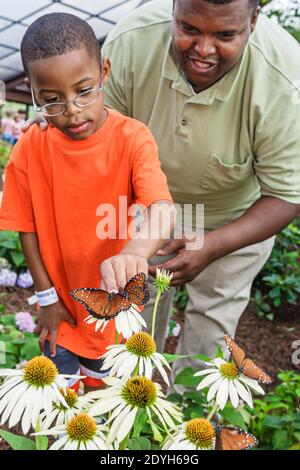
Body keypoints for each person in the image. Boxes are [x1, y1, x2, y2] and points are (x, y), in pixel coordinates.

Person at [23, 0, 300, 391]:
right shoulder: (132, 40)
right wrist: (56, 111)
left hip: (237, 219)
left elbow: (286, 195)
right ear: (172, 8)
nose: (203, 49)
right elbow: (94, 125)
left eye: (224, 35)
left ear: (254, 20)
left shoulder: (285, 77)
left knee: (211, 335)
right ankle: (126, 407)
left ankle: (189, 426)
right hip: (136, 209)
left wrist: (212, 246)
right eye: (189, 29)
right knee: (132, 321)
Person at [0, 13, 174, 392]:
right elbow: (26, 230)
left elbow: (163, 209)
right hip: (57, 310)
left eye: (84, 91)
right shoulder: (29, 147)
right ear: (32, 92)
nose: (72, 110)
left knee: (108, 403)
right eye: (52, 100)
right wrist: (47, 298)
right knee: (61, 402)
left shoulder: (132, 139)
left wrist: (136, 253)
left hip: (113, 312)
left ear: (104, 71)